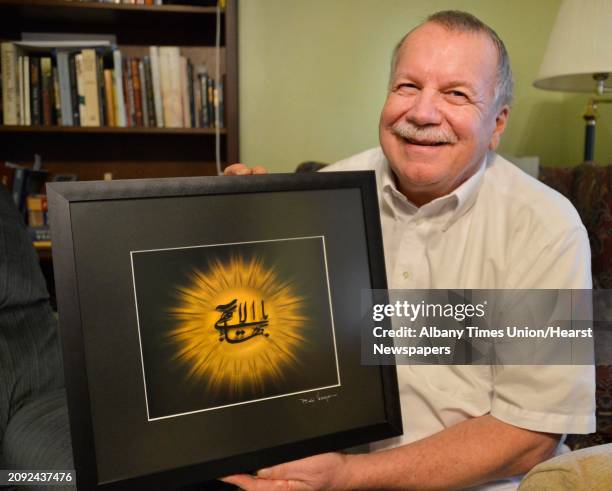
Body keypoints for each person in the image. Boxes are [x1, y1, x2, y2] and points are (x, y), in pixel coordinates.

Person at [222, 10, 595, 490]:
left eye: (457, 94)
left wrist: (349, 477)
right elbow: (265, 340)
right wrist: (233, 235)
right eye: (407, 86)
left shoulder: (546, 226)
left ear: (498, 122)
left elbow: (531, 431)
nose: (422, 113)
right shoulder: (319, 195)